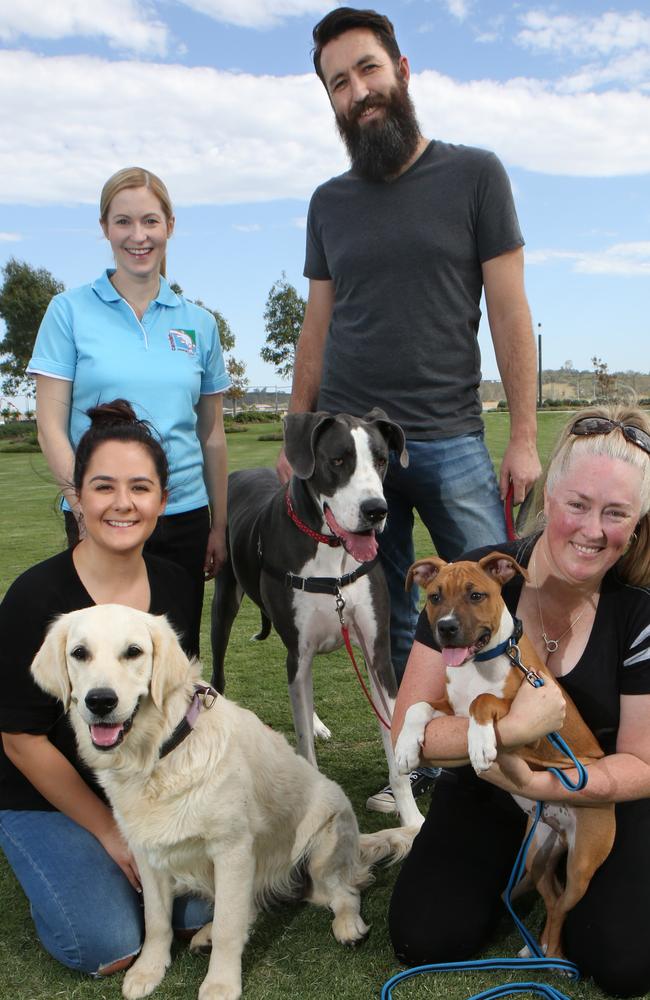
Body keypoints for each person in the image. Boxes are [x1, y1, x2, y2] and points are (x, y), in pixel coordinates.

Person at [277, 7, 541, 813]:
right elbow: (315, 328)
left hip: (456, 436)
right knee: (399, 616)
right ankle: (426, 767)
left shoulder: (476, 176)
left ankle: (527, 749)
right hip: (356, 454)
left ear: (402, 69)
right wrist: (298, 440)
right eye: (340, 83)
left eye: (368, 70)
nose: (358, 91)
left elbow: (509, 311)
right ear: (330, 100)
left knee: (503, 600)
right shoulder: (328, 202)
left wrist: (524, 434)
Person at [388, 404, 650, 998]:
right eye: (578, 504)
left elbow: (641, 765)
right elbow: (415, 728)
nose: (590, 528)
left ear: (635, 525)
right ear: (548, 498)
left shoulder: (639, 611)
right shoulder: (467, 584)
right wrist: (505, 733)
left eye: (615, 513)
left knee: (622, 960)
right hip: (484, 785)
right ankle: (524, 879)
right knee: (423, 936)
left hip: (593, 787)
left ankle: (555, 907)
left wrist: (540, 790)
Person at [0, 400, 213, 976]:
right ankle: (58, 860)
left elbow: (176, 699)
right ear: (76, 497)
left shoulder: (174, 584)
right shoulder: (35, 598)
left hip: (141, 783)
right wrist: (114, 834)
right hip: (47, 792)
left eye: (140, 487)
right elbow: (19, 739)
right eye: (103, 487)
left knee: (199, 910)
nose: (123, 503)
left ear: (163, 502)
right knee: (106, 943)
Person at [27, 166, 230, 652]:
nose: (137, 236)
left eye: (150, 222)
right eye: (123, 222)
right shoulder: (68, 311)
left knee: (176, 663)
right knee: (101, 658)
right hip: (98, 512)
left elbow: (212, 436)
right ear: (104, 228)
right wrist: (80, 505)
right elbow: (50, 427)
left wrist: (218, 525)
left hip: (181, 516)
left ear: (170, 227)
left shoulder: (199, 324)